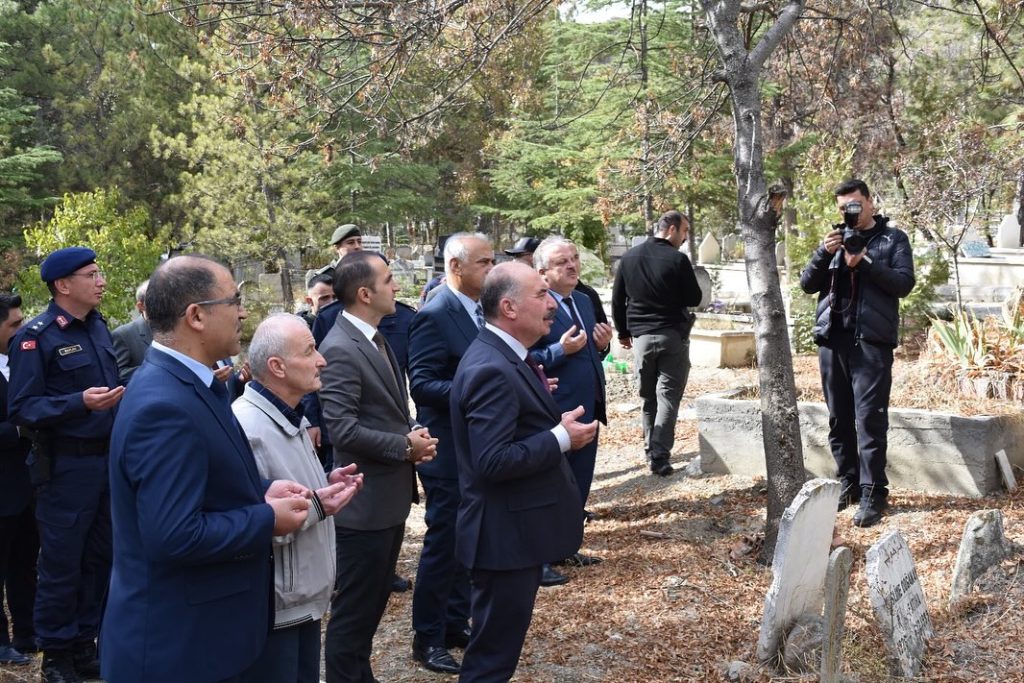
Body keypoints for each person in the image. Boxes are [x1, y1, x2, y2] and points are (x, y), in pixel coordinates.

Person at [100, 255, 311, 683]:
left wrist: (260, 491)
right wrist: (266, 518)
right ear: (196, 316)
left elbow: (201, 481)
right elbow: (173, 535)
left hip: (207, 636)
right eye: (234, 301)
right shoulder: (164, 405)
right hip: (178, 649)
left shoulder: (191, 384)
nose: (243, 313)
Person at [451, 261, 597, 683]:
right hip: (503, 537)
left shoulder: (507, 355)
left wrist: (552, 427)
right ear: (510, 308)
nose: (551, 304)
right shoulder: (490, 367)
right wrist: (561, 438)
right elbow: (492, 460)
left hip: (514, 533)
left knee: (497, 653)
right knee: (490, 661)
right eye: (540, 294)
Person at [319, 251, 438, 683]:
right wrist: (404, 447)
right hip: (363, 506)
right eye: (388, 280)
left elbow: (383, 411)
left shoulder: (374, 338)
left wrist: (412, 433)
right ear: (365, 294)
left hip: (385, 500)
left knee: (369, 611)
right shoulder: (340, 348)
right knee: (354, 615)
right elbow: (342, 430)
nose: (397, 287)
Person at [6, 247, 124, 683]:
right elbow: (22, 407)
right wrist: (79, 403)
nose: (101, 281)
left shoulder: (97, 327)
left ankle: (83, 644)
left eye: (99, 272)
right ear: (63, 285)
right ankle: (55, 655)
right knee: (62, 564)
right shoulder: (36, 338)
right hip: (65, 469)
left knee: (99, 559)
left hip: (105, 463)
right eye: (91, 275)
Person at [232, 313, 363, 683]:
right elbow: (254, 522)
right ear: (277, 367)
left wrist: (322, 483)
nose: (321, 360)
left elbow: (282, 485)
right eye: (309, 352)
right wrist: (318, 506)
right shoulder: (248, 427)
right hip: (276, 609)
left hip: (300, 601)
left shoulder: (289, 415)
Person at [799, 179, 915, 527]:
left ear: (870, 203)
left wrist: (864, 262)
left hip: (871, 342)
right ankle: (847, 482)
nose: (849, 212)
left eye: (854, 205)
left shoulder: (892, 240)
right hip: (833, 339)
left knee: (869, 419)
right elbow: (807, 284)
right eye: (842, 208)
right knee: (839, 417)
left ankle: (873, 492)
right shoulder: (834, 240)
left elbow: (903, 284)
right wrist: (823, 253)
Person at [408, 232, 495, 674]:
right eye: (484, 263)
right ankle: (427, 637)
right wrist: (476, 389)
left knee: (468, 539)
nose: (491, 270)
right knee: (444, 543)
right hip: (445, 448)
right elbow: (422, 384)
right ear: (456, 267)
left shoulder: (480, 310)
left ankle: (454, 622)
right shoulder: (435, 314)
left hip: (476, 445)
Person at [530, 237, 611, 572]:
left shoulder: (583, 300)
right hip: (554, 410)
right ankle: (539, 557)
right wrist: (559, 351)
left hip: (588, 406)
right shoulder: (533, 305)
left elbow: (589, 352)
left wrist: (602, 346)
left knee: (579, 482)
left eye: (574, 258)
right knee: (550, 484)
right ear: (542, 272)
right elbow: (520, 358)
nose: (572, 265)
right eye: (562, 261)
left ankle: (566, 546)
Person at [611, 210, 702, 477]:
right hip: (671, 336)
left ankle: (650, 448)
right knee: (668, 397)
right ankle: (659, 456)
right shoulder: (677, 259)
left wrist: (623, 332)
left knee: (648, 396)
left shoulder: (629, 257)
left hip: (640, 338)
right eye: (684, 231)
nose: (684, 238)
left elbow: (618, 300)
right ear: (671, 229)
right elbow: (694, 297)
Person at [0, 293, 36, 666]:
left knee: (24, 563)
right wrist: (21, 427)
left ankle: (26, 632)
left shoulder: (21, 363)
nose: (21, 329)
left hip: (28, 486)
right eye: (14, 324)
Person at [110, 279, 153, 382]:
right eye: (156, 301)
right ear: (141, 306)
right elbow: (118, 373)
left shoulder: (174, 328)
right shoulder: (123, 335)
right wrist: (154, 370)